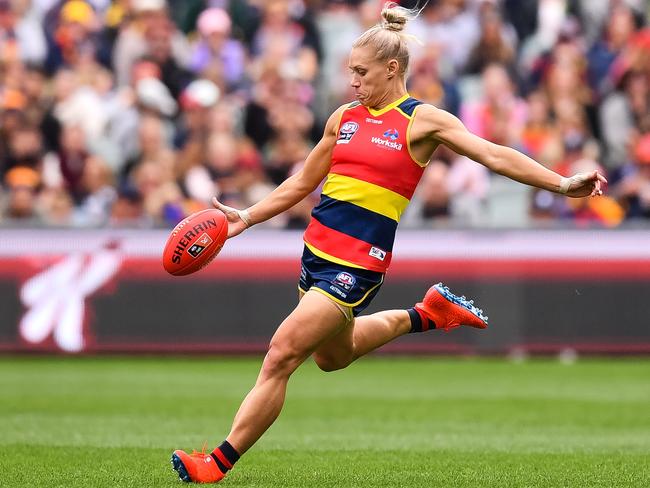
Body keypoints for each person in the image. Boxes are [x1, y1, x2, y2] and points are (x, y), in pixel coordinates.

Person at [170, 3, 606, 484]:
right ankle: (428, 314)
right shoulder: (344, 118)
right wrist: (245, 218)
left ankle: (216, 462)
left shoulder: (422, 121)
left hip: (356, 264)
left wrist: (564, 185)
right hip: (315, 255)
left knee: (281, 355)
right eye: (350, 72)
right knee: (334, 356)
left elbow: (493, 155)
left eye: (361, 72)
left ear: (392, 68)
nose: (353, 81)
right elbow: (301, 184)